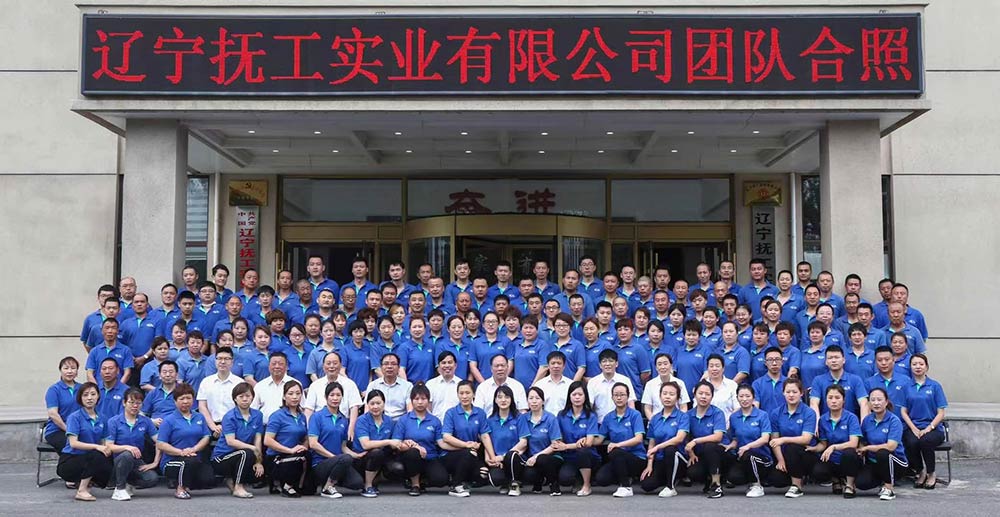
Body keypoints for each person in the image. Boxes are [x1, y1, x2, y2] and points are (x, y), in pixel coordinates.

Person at [156, 383, 215, 499]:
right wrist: (181, 452)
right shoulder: (169, 420)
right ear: (175, 401)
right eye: (181, 398)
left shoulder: (199, 417)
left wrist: (193, 449)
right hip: (172, 460)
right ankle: (180, 488)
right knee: (188, 463)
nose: (185, 401)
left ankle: (187, 483)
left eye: (188, 398)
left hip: (194, 457)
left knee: (208, 479)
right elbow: (161, 444)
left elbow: (206, 437)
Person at [309, 382, 367, 499]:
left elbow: (343, 447)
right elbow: (313, 444)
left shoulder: (343, 420)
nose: (335, 398)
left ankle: (332, 479)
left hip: (338, 462)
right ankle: (327, 488)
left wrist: (356, 455)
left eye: (338, 395)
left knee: (357, 483)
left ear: (342, 397)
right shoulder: (317, 417)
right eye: (332, 395)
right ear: (326, 397)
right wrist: (334, 458)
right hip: (320, 463)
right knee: (345, 459)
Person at [57, 382, 113, 501]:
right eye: (85, 395)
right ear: (80, 398)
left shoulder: (103, 418)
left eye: (93, 394)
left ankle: (90, 482)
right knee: (96, 454)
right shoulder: (74, 417)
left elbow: (104, 441)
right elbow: (73, 443)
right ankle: (81, 490)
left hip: (89, 458)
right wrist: (96, 447)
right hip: (71, 459)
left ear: (98, 396)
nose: (89, 398)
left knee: (106, 457)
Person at [392, 383, 450, 496]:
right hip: (410, 457)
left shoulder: (435, 421)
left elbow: (441, 443)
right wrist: (415, 446)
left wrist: (464, 445)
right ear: (411, 401)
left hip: (430, 457)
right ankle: (415, 485)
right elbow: (396, 443)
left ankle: (422, 481)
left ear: (428, 400)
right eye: (416, 399)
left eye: (423, 399)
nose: (420, 402)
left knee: (441, 480)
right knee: (413, 453)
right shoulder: (404, 420)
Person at [900, 353, 947, 489]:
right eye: (914, 364)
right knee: (911, 441)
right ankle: (920, 471)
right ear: (910, 367)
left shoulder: (935, 386)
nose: (918, 367)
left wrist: (929, 428)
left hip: (933, 428)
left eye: (921, 364)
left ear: (926, 367)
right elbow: (903, 411)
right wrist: (914, 428)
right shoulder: (906, 386)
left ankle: (931, 473)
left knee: (925, 441)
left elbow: (941, 412)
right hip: (913, 426)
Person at [505, 387, 564, 496]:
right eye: (531, 398)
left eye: (537, 398)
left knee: (542, 459)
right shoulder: (523, 418)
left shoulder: (551, 418)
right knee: (528, 474)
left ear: (543, 401)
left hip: (551, 456)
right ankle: (537, 482)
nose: (534, 401)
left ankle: (554, 485)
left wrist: (536, 456)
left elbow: (555, 444)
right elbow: (523, 441)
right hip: (530, 458)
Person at [211, 382, 265, 498]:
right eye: (241, 396)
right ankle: (238, 487)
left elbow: (258, 438)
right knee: (246, 452)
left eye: (248, 396)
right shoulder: (229, 416)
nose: (245, 399)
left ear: (252, 397)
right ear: (235, 399)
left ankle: (231, 479)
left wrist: (258, 462)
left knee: (255, 468)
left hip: (241, 455)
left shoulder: (258, 415)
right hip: (222, 457)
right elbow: (231, 441)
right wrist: (252, 448)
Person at [768, 378, 820, 498]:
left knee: (792, 447)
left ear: (801, 393)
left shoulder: (809, 412)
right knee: (777, 480)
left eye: (795, 392)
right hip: (785, 455)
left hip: (806, 454)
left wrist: (784, 439)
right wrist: (780, 460)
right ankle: (796, 477)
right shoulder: (776, 413)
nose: (791, 395)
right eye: (788, 392)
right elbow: (775, 441)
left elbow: (806, 439)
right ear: (783, 393)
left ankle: (796, 486)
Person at [105, 388, 159, 501]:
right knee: (127, 454)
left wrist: (155, 462)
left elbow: (159, 442)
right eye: (131, 402)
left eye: (138, 403)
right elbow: (109, 446)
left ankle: (128, 484)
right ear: (124, 403)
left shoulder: (146, 421)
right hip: (118, 461)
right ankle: (119, 489)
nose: (135, 406)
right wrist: (127, 447)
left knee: (152, 478)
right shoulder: (114, 421)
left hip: (137, 460)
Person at [594, 382, 646, 498]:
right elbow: (599, 439)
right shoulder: (608, 417)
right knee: (601, 479)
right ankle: (625, 476)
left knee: (615, 451)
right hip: (618, 459)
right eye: (616, 395)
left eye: (622, 395)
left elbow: (639, 438)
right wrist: (585, 441)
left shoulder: (635, 415)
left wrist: (618, 444)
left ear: (628, 397)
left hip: (636, 457)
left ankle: (626, 487)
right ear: (612, 397)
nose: (619, 398)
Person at [639, 381, 690, 498]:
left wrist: (658, 447)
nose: (667, 397)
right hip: (660, 459)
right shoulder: (655, 419)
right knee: (647, 485)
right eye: (665, 393)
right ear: (660, 396)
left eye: (671, 394)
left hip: (678, 457)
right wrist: (649, 464)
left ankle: (670, 487)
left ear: (677, 398)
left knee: (670, 449)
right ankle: (670, 478)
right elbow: (652, 443)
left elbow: (679, 438)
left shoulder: (683, 416)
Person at [857, 387, 909, 501]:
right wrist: (861, 449)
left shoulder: (894, 421)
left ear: (886, 402)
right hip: (874, 462)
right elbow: (862, 441)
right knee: (861, 483)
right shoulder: (867, 420)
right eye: (873, 400)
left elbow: (891, 446)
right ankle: (882, 482)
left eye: (879, 400)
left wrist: (868, 448)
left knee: (883, 453)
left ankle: (889, 488)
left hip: (896, 462)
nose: (876, 403)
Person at [812, 384, 863, 498]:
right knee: (817, 471)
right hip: (832, 459)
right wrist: (814, 448)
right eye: (830, 398)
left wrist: (834, 447)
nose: (834, 401)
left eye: (837, 397)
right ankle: (836, 480)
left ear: (843, 400)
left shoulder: (851, 418)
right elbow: (823, 444)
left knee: (849, 452)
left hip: (848, 458)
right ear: (826, 400)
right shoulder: (823, 420)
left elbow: (853, 443)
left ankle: (849, 485)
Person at [552, 381, 601, 496]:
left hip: (588, 456)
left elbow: (588, 443)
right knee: (565, 479)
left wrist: (567, 446)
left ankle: (587, 485)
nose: (577, 397)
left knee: (582, 451)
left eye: (580, 394)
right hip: (569, 457)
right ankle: (578, 479)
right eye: (574, 394)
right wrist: (566, 445)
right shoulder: (562, 415)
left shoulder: (591, 416)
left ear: (585, 396)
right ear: (569, 396)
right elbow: (558, 439)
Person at [723, 384, 773, 498]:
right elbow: (735, 438)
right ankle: (750, 481)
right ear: (737, 398)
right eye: (741, 396)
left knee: (749, 455)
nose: (744, 399)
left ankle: (757, 485)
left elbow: (765, 438)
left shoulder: (762, 415)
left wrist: (748, 446)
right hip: (742, 457)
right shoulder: (734, 417)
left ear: (753, 397)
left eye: (747, 396)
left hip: (762, 458)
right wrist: (731, 445)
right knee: (733, 477)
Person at [441, 380, 489, 497]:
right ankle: (456, 486)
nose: (464, 396)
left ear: (474, 394)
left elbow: (485, 436)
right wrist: (466, 445)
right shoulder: (451, 413)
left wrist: (492, 457)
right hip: (451, 454)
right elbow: (446, 437)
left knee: (482, 474)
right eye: (461, 393)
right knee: (468, 453)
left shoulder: (480, 413)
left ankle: (465, 481)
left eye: (467, 393)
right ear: (457, 395)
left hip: (473, 453)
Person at [264, 380, 310, 497]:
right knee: (300, 458)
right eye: (290, 393)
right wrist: (290, 450)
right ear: (284, 396)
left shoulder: (302, 416)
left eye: (298, 393)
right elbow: (267, 440)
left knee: (307, 455)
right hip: (276, 457)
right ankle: (286, 486)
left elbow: (305, 438)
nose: (294, 397)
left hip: (293, 455)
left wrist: (303, 447)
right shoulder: (277, 416)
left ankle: (298, 485)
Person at [353, 390, 402, 498]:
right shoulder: (362, 420)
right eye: (372, 403)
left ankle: (376, 478)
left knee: (397, 467)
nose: (375, 407)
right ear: (367, 405)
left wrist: (406, 443)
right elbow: (366, 445)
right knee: (376, 453)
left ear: (384, 404)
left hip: (382, 456)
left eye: (378, 403)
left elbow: (395, 442)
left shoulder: (389, 421)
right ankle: (368, 486)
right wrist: (388, 441)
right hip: (362, 457)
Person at [304, 351, 363, 440]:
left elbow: (354, 408)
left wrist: (351, 429)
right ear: (323, 366)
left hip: (343, 427)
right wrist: (310, 431)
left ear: (340, 365)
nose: (331, 366)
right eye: (328, 363)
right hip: (320, 429)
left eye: (335, 363)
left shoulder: (350, 384)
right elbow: (309, 410)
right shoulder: (315, 385)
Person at [685, 381, 727, 499]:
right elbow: (686, 438)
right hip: (700, 454)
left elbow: (718, 437)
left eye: (707, 394)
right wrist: (691, 453)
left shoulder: (717, 413)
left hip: (720, 453)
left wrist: (696, 441)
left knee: (710, 445)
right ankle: (708, 480)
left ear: (712, 396)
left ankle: (716, 485)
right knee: (693, 472)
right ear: (694, 394)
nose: (703, 396)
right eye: (700, 393)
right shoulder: (688, 415)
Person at [809, 345, 870, 420]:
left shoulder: (855, 380)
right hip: (825, 424)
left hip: (850, 423)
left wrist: (863, 424)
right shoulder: (818, 380)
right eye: (830, 358)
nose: (833, 361)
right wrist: (817, 424)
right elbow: (814, 403)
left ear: (843, 360)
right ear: (826, 362)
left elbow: (864, 403)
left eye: (837, 357)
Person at [197, 346, 241, 436]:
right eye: (219, 358)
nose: (223, 362)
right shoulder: (206, 382)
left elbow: (242, 408)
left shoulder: (239, 383)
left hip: (234, 427)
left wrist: (227, 427)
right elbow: (202, 407)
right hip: (210, 426)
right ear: (215, 361)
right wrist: (213, 426)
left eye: (227, 359)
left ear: (232, 362)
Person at [586, 349, 636, 422]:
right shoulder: (593, 382)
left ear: (617, 364)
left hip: (621, 422)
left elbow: (630, 404)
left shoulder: (625, 380)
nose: (607, 364)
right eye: (604, 361)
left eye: (611, 361)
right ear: (600, 365)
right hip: (600, 423)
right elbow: (589, 405)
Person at [44, 357, 82, 452]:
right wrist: (69, 430)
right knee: (73, 447)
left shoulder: (82, 389)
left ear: (77, 371)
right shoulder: (54, 390)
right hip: (57, 430)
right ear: (60, 370)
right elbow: (53, 414)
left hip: (79, 430)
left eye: (73, 368)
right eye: (66, 368)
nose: (69, 371)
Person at [867, 346, 911, 418]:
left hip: (902, 423)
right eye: (880, 360)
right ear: (875, 362)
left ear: (893, 360)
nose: (883, 363)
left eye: (887, 359)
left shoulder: (906, 380)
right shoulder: (869, 382)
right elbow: (867, 407)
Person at [251, 352, 295, 423]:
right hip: (265, 426)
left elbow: (302, 408)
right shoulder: (260, 386)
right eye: (273, 364)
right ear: (269, 366)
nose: (277, 366)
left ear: (287, 366)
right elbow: (253, 409)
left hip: (289, 426)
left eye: (280, 364)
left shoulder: (295, 384)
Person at [86, 318, 134, 384]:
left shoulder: (126, 350)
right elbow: (89, 373)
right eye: (107, 328)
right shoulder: (94, 351)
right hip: (98, 388)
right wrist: (96, 388)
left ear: (117, 331)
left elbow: (127, 373)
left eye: (113, 328)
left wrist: (118, 387)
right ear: (102, 331)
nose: (110, 331)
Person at [367, 353, 414, 419]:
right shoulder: (373, 385)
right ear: (381, 367)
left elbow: (410, 410)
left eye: (393, 364)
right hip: (379, 421)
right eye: (386, 364)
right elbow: (367, 410)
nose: (389, 367)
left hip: (400, 422)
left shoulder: (408, 386)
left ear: (398, 367)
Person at [674, 320, 710, 398]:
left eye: (694, 335)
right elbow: (673, 372)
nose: (691, 337)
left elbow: (707, 373)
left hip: (698, 396)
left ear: (699, 336)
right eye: (688, 334)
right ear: (684, 335)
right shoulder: (678, 351)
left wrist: (698, 389)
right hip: (680, 395)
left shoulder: (706, 351)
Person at [751, 348, 787, 415]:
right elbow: (755, 407)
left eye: (777, 359)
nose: (774, 363)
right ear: (765, 362)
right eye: (770, 360)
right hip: (765, 420)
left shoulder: (789, 383)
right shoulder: (757, 384)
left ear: (782, 362)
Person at [705, 354, 739, 421]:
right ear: (707, 368)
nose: (714, 369)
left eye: (717, 366)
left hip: (728, 424)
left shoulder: (732, 385)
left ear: (723, 368)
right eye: (711, 366)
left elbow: (737, 407)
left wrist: (729, 422)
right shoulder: (702, 386)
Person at [95, 359, 129, 424]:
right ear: (100, 372)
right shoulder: (94, 389)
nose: (107, 372)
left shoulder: (126, 391)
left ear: (118, 371)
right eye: (104, 369)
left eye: (110, 368)